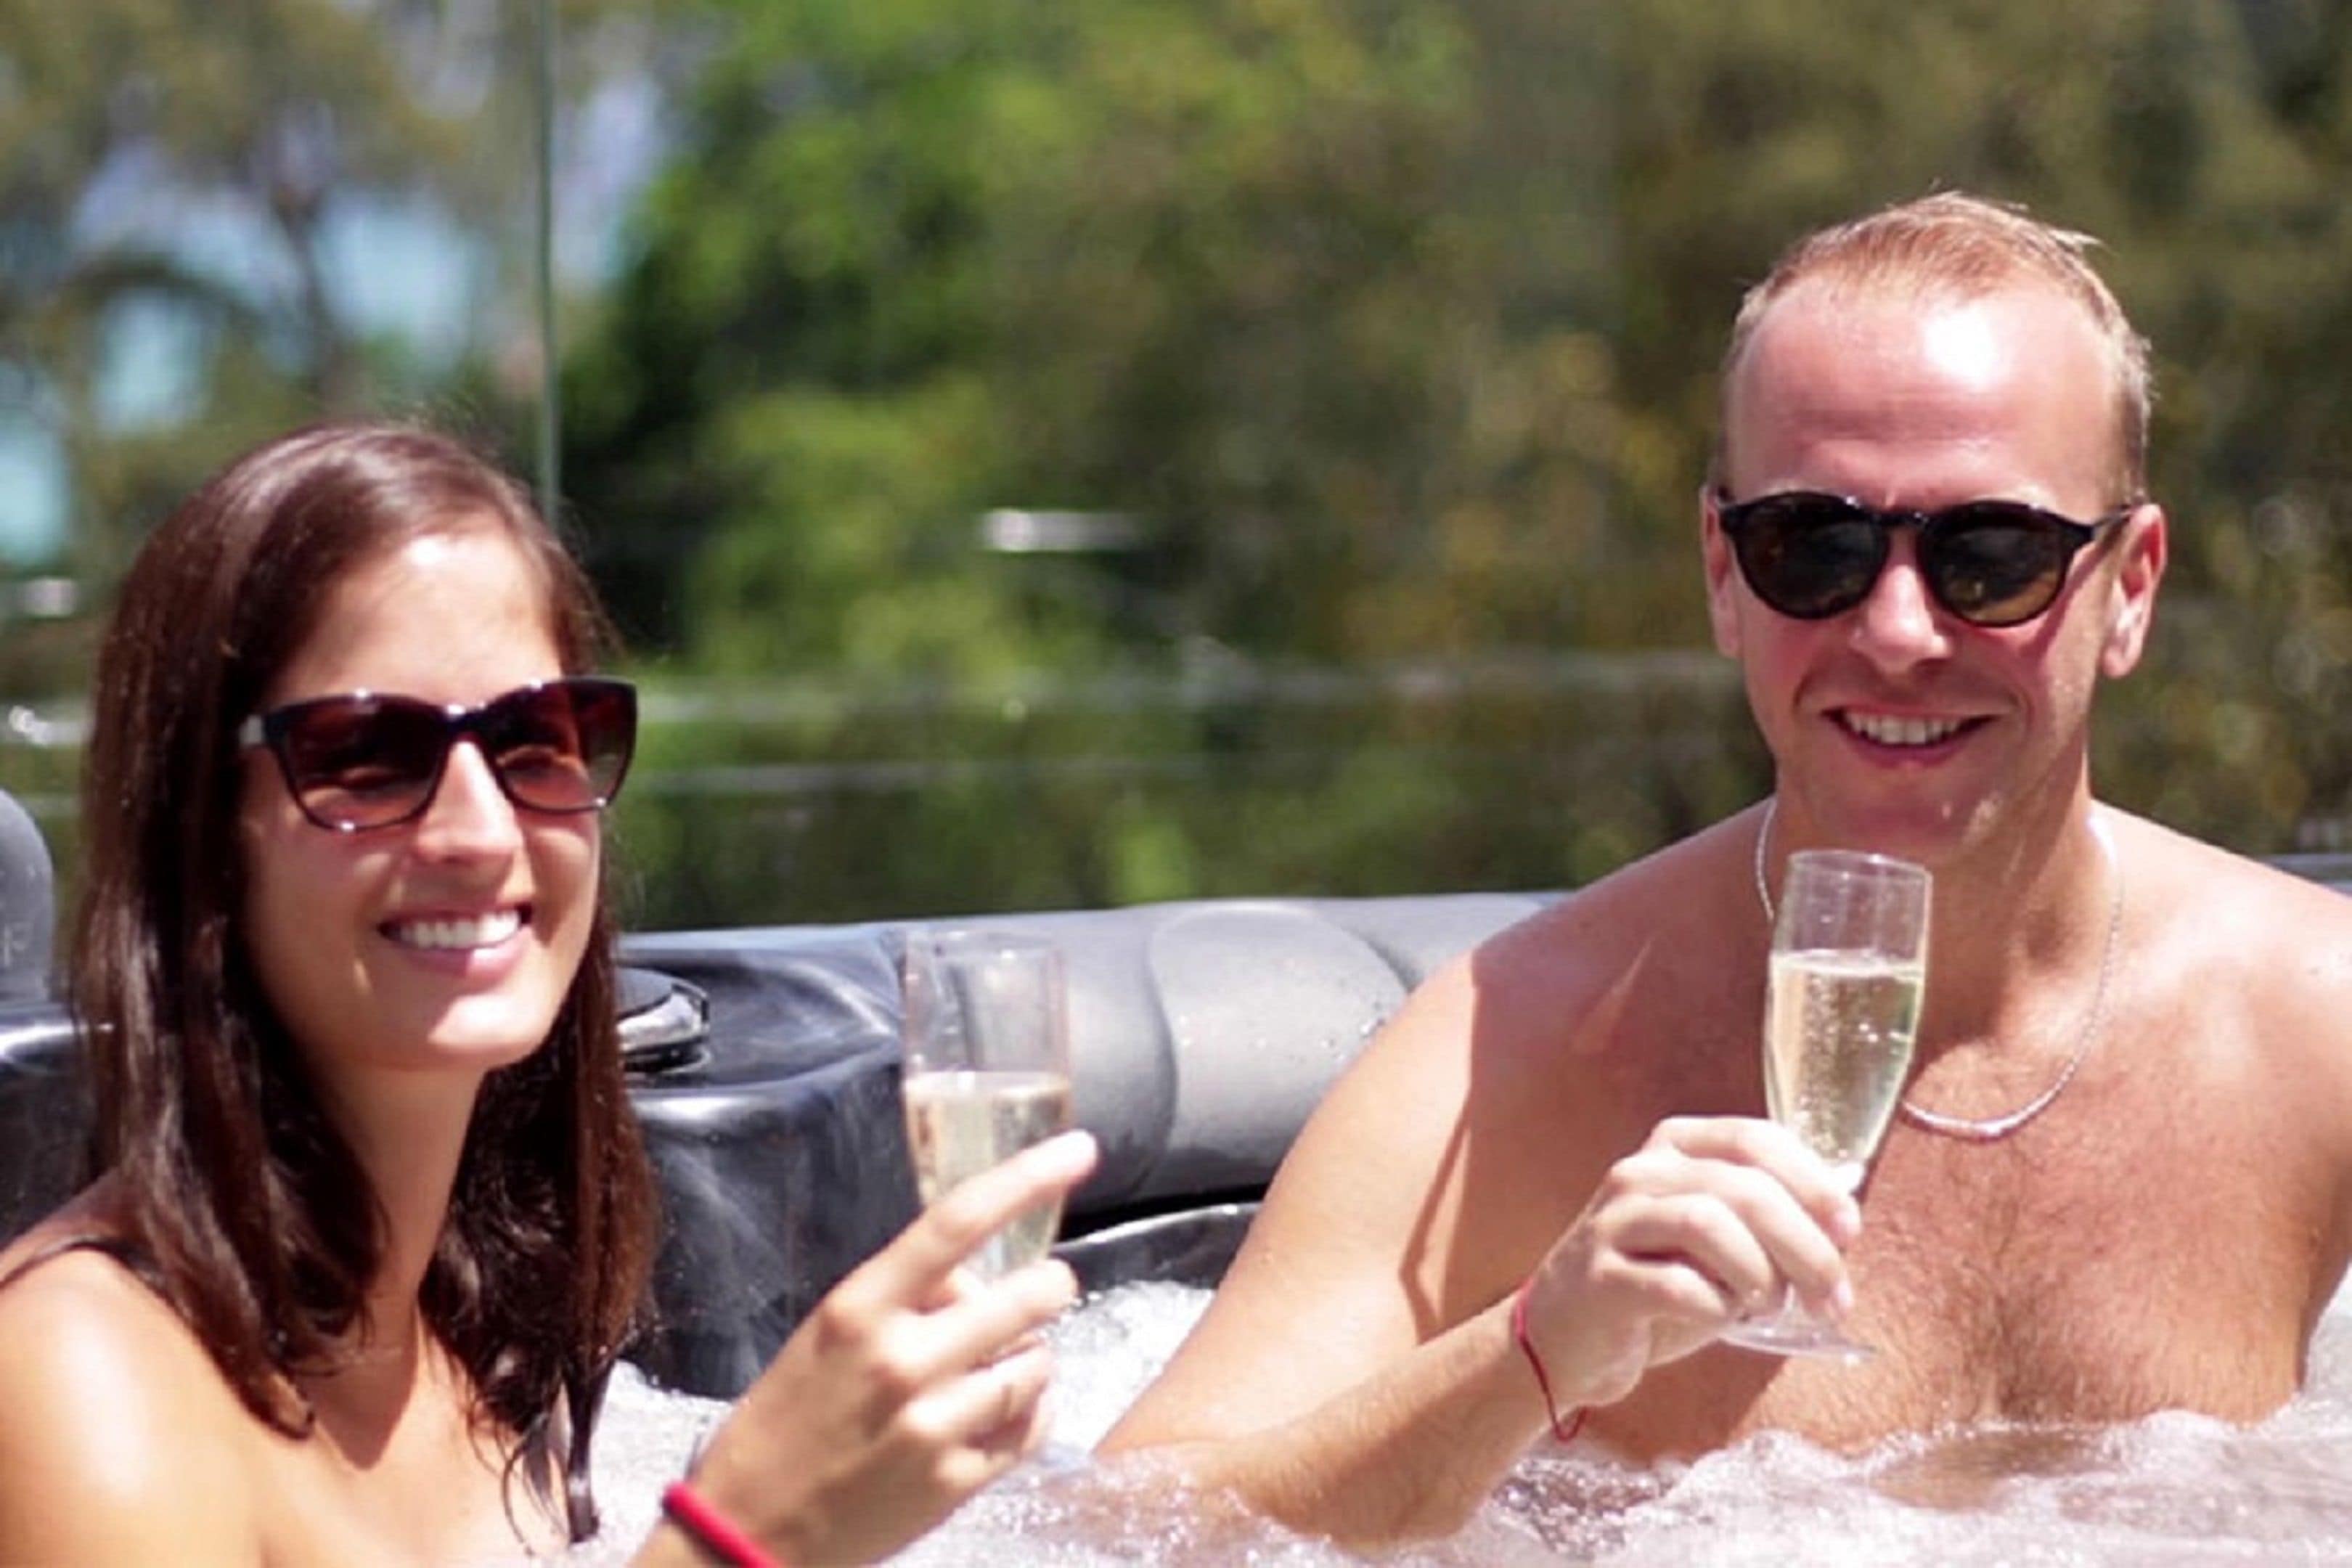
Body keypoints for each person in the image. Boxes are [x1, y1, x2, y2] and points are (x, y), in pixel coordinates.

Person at [1098, 190, 2352, 1544]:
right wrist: (1531, 1354)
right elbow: (1116, 1535)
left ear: (2134, 587)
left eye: (1994, 558)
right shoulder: (1514, 1052)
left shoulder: (2312, 1025)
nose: (1897, 630)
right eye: (1811, 547)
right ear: (1719, 571)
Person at [0, 421, 1097, 1565]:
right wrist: (741, 1541)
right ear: (207, 831)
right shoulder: (82, 1386)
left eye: (539, 741)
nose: (480, 830)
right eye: (369, 753)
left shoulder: (491, 1338)